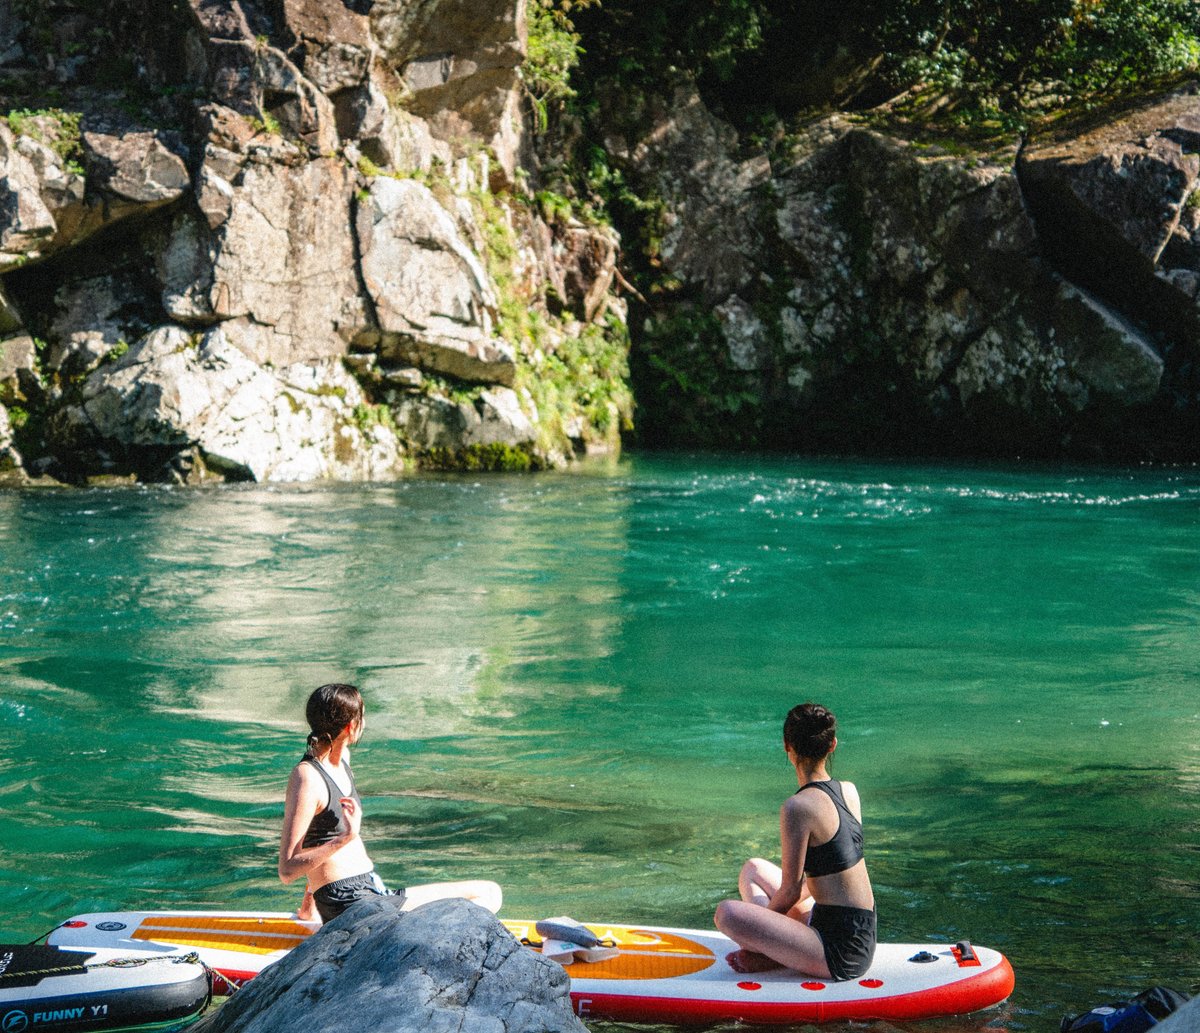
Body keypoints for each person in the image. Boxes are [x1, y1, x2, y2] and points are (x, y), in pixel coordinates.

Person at [279, 682, 502, 923]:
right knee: (485, 895)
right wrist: (344, 839)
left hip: (372, 892)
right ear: (351, 726)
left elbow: (316, 833)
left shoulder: (342, 760)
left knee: (489, 893)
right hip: (352, 905)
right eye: (361, 717)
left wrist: (309, 907)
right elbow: (288, 869)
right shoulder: (307, 777)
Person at [714, 702, 876, 981]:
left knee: (727, 914)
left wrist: (760, 930)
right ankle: (774, 948)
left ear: (787, 746)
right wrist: (765, 925)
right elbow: (830, 873)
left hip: (839, 950)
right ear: (832, 745)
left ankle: (770, 954)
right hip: (859, 929)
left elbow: (790, 891)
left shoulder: (796, 808)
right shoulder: (849, 791)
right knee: (753, 868)